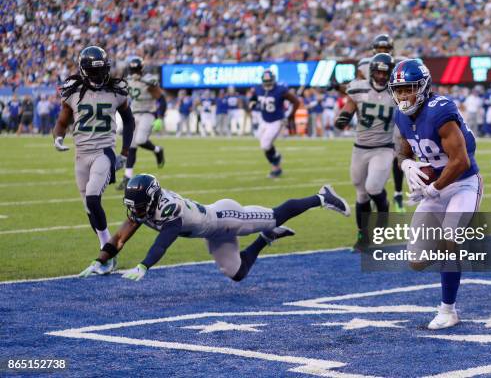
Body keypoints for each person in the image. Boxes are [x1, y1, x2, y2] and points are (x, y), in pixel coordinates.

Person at [78, 174, 350, 281]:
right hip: (212, 232)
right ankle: (264, 239)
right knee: (237, 274)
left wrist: (144, 266)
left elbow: (163, 242)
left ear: (152, 199)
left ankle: (322, 196)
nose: (135, 212)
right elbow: (120, 238)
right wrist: (99, 258)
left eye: (139, 206)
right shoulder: (144, 206)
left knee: (276, 214)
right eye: (133, 206)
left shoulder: (169, 209)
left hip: (225, 217)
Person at [390, 59, 483, 330]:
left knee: (449, 241)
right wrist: (406, 163)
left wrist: (433, 188)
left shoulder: (440, 111)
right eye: (399, 90)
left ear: (423, 86)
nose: (404, 95)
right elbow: (403, 149)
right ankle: (448, 249)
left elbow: (461, 161)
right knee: (417, 262)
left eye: (409, 89)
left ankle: (448, 310)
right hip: (436, 190)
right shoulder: (401, 114)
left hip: (463, 184)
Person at [53, 46, 135, 273]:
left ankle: (107, 252)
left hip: (103, 152)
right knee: (90, 209)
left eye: (102, 71)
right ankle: (107, 250)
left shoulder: (117, 91)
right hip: (81, 155)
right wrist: (57, 137)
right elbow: (62, 121)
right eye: (94, 72)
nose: (99, 76)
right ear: (83, 71)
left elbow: (129, 121)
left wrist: (125, 153)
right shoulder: (72, 91)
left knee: (92, 198)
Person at [335, 53, 396, 250]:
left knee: (373, 188)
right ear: (371, 72)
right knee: (361, 194)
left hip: (384, 148)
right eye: (377, 72)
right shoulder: (358, 88)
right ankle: (363, 235)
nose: (380, 76)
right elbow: (350, 105)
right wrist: (344, 117)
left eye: (384, 73)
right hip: (360, 148)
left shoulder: (397, 93)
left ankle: (383, 207)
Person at [356, 34, 407, 212]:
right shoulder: (364, 64)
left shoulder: (401, 63)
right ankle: (376, 191)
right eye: (380, 49)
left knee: (398, 155)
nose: (383, 52)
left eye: (386, 49)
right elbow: (359, 86)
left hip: (394, 114)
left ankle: (398, 193)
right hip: (375, 116)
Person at [116, 56, 166, 190]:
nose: (134, 72)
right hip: (134, 113)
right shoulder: (128, 80)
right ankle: (127, 178)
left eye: (136, 69)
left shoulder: (149, 80)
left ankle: (158, 150)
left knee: (140, 140)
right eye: (132, 70)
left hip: (148, 113)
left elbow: (162, 99)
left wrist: (159, 117)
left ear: (141, 69)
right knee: (131, 147)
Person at [250, 69, 302, 178]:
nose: (267, 85)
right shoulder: (259, 88)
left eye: (269, 82)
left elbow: (296, 102)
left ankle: (276, 167)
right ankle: (276, 157)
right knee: (264, 144)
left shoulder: (280, 90)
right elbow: (254, 97)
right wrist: (253, 103)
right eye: (265, 82)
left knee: (265, 144)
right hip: (264, 119)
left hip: (276, 121)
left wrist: (291, 115)